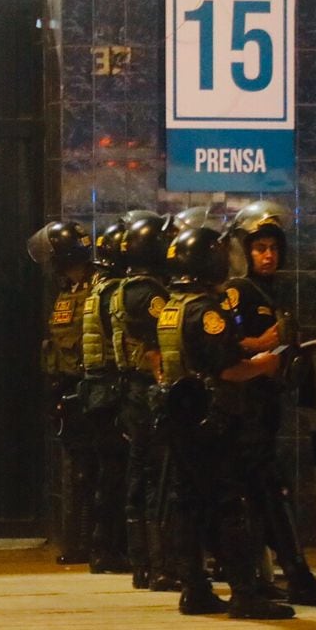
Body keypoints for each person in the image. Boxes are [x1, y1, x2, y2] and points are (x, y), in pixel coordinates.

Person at [156, 225, 294, 620]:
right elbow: (228, 369)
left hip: (179, 418)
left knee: (188, 503)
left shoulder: (171, 307)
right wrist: (267, 365)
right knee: (229, 502)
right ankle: (245, 594)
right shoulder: (207, 311)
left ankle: (194, 589)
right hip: (212, 419)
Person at [221, 201, 316, 606]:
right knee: (271, 490)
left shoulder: (270, 291)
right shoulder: (236, 292)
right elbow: (224, 349)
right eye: (259, 248)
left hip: (266, 406)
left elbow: (282, 346)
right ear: (244, 251)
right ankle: (296, 575)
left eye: (273, 247)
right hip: (243, 408)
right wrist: (264, 344)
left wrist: (314, 345)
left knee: (263, 492)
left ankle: (265, 577)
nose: (268, 255)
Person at [111, 213, 173, 590]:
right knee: (156, 479)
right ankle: (161, 566)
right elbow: (157, 348)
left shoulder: (121, 288)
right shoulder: (150, 293)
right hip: (148, 392)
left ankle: (143, 566)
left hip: (130, 392)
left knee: (138, 475)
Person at [26, 221, 93, 564]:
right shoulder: (68, 290)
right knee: (75, 471)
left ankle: (87, 542)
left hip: (91, 392)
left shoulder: (95, 289)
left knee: (87, 472)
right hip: (68, 389)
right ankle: (77, 542)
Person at [76, 220, 130, 572]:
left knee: (105, 471)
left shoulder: (98, 287)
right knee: (115, 472)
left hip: (96, 389)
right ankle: (108, 548)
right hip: (111, 388)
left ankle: (101, 547)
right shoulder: (116, 292)